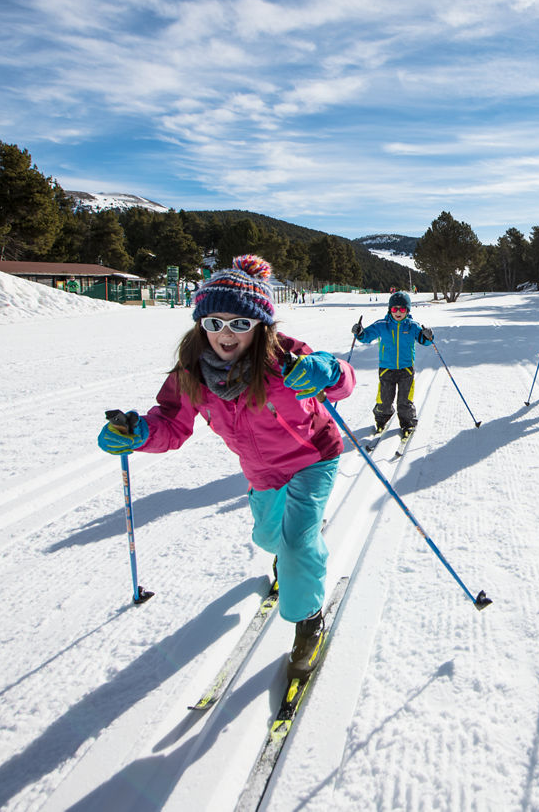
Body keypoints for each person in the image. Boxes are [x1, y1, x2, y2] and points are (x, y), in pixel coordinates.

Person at [96, 254, 355, 679]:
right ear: (200, 324)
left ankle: (307, 619)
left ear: (260, 325)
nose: (226, 334)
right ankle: (287, 562)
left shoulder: (284, 359)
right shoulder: (193, 371)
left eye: (240, 323)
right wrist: (139, 433)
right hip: (261, 470)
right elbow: (170, 423)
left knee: (296, 543)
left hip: (313, 457)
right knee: (269, 536)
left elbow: (342, 380)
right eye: (213, 323)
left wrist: (326, 371)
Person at [352, 290, 434, 436]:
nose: (398, 312)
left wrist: (428, 336)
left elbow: (424, 341)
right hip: (386, 369)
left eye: (402, 309)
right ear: (390, 309)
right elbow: (366, 336)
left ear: (407, 310)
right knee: (384, 399)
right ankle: (381, 419)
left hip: (406, 369)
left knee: (405, 400)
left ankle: (407, 422)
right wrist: (359, 332)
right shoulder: (382, 325)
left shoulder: (411, 326)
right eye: (394, 308)